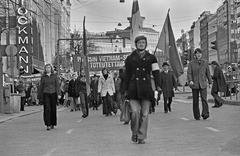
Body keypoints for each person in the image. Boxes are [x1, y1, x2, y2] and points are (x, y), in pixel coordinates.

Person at [124, 35, 161, 144]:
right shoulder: (130, 58)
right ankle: (135, 133)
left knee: (144, 114)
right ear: (136, 44)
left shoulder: (152, 58)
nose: (141, 44)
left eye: (143, 43)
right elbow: (127, 75)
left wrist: (158, 86)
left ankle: (141, 136)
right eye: (139, 42)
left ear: (146, 44)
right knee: (135, 112)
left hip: (146, 89)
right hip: (133, 89)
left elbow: (156, 73)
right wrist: (125, 90)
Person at [187, 48, 212, 120]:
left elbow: (208, 73)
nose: (198, 55)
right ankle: (196, 115)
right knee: (195, 100)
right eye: (197, 53)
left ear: (201, 54)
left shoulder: (205, 62)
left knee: (204, 99)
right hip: (194, 84)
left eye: (200, 53)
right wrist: (190, 80)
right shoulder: (191, 63)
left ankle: (205, 114)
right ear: (195, 54)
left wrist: (210, 82)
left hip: (203, 84)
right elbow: (189, 73)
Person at [38, 64, 60, 131]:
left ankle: (53, 123)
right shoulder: (43, 77)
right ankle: (48, 124)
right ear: (45, 69)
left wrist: (58, 94)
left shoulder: (54, 76)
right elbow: (41, 87)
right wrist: (39, 96)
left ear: (51, 69)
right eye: (47, 68)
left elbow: (57, 85)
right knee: (47, 109)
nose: (48, 69)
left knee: (53, 109)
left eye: (49, 67)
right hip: (46, 94)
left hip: (53, 93)